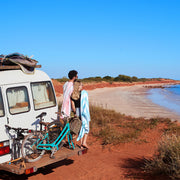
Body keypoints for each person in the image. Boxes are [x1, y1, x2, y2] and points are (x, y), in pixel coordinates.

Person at [71, 80, 90, 148]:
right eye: (81, 85)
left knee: (80, 128)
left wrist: (75, 113)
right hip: (83, 112)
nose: (82, 86)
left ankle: (81, 144)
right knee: (86, 127)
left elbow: (73, 106)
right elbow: (85, 104)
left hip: (77, 111)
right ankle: (84, 142)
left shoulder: (72, 94)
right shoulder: (83, 93)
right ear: (78, 86)